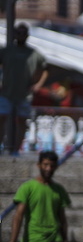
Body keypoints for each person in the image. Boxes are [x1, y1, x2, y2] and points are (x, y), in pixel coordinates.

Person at [0, 22, 48, 154]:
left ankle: (16, 150)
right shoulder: (7, 50)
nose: (21, 35)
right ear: (15, 34)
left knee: (22, 121)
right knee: (1, 118)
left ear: (27, 35)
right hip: (6, 92)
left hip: (24, 94)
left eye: (23, 33)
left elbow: (45, 69)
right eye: (19, 33)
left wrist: (38, 85)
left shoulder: (33, 53)